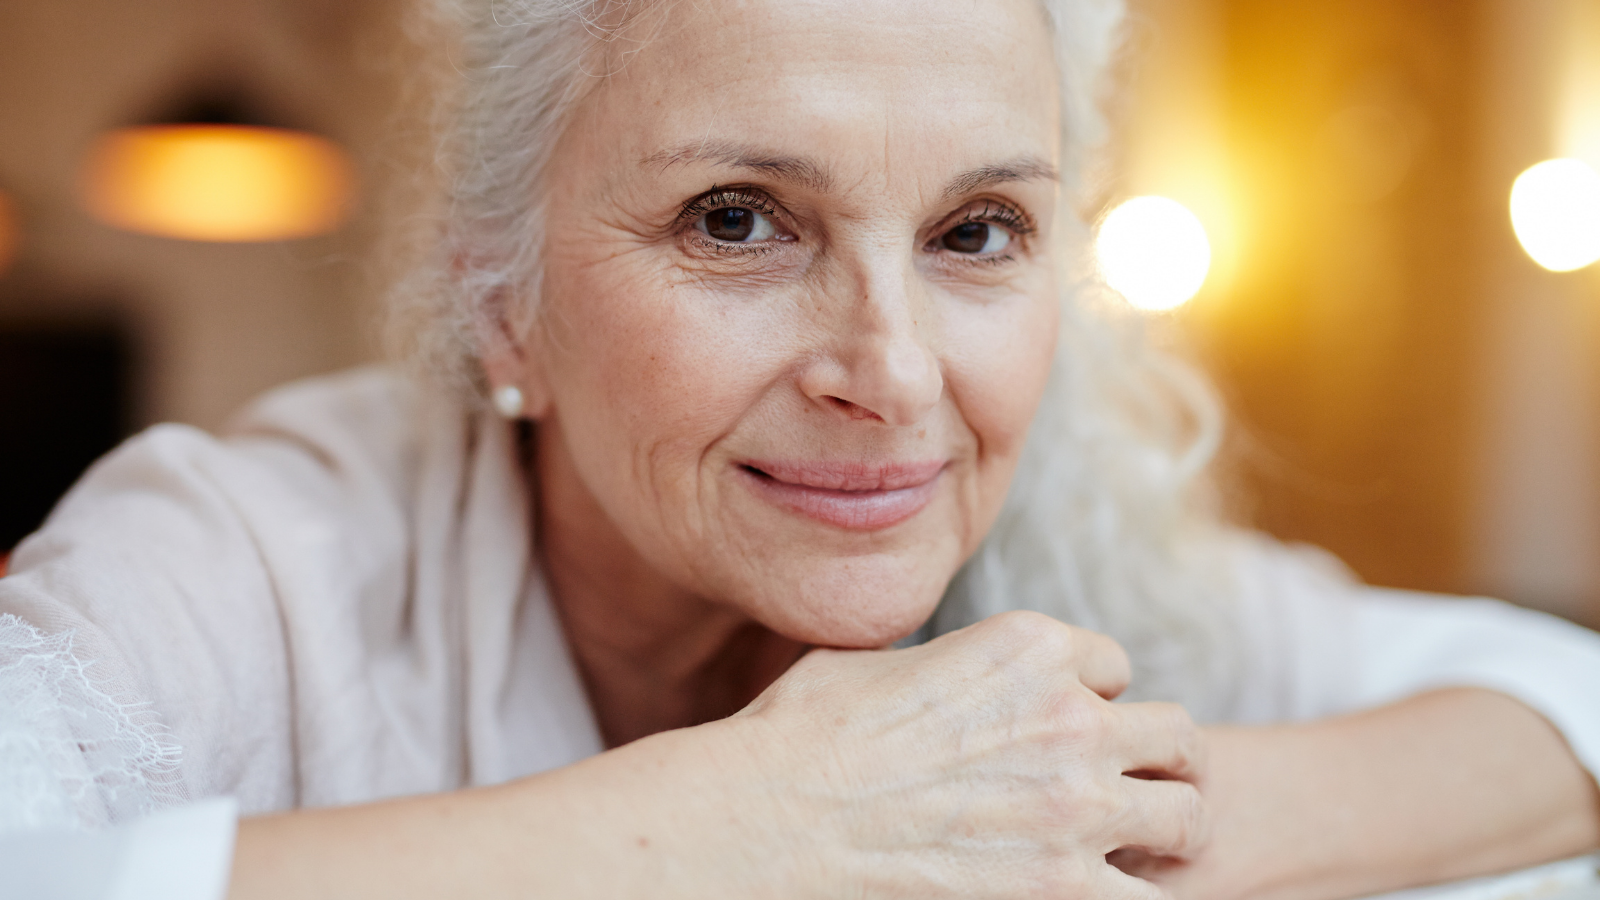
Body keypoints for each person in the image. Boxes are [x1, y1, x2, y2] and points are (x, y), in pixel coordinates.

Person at [2, 0, 1599, 897]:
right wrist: (767, 818)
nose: (893, 375)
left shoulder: (1070, 546)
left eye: (978, 231)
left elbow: (1567, 713)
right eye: (739, 220)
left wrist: (1074, 816)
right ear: (501, 301)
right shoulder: (244, 557)